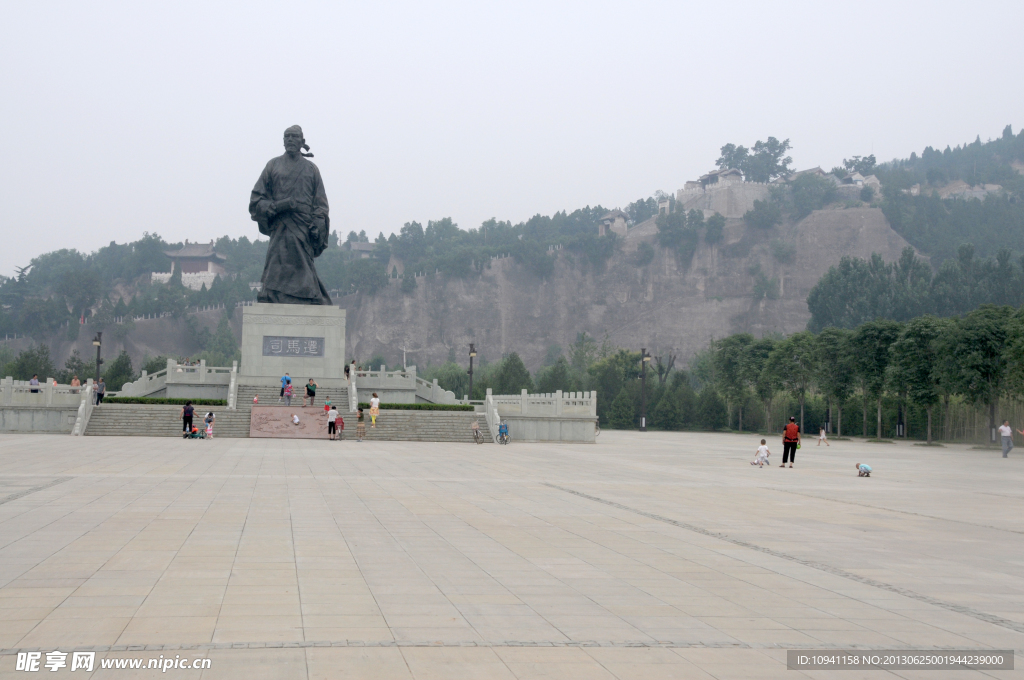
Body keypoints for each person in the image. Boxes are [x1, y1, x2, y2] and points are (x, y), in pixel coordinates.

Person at [249, 125, 332, 305]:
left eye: (294, 137)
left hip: (302, 228)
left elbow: (321, 204)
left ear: (302, 142)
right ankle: (271, 294)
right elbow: (257, 198)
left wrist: (318, 224)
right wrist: (271, 207)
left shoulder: (311, 170)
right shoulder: (273, 165)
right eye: (287, 136)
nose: (290, 140)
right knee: (277, 264)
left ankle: (308, 295)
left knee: (303, 266)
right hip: (280, 225)